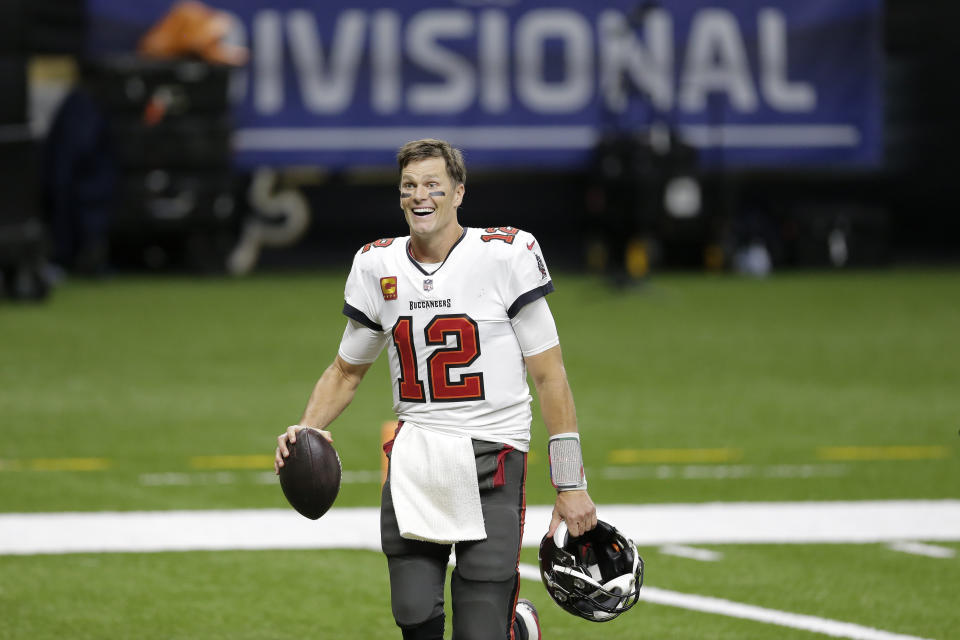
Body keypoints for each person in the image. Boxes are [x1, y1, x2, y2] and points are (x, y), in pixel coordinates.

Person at [274, 138, 597, 640]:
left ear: (458, 193)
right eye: (409, 186)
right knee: (413, 615)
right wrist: (306, 430)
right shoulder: (377, 265)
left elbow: (550, 375)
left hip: (493, 455)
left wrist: (571, 483)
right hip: (416, 459)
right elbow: (346, 371)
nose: (420, 196)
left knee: (479, 631)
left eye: (433, 185)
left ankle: (517, 628)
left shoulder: (506, 255)